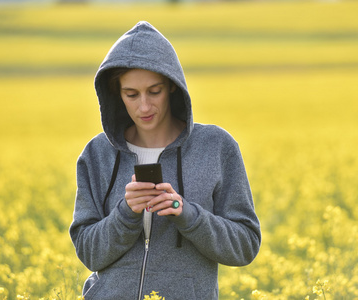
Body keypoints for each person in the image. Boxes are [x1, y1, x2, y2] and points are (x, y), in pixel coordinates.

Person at [69, 21, 261, 300]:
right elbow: (88, 253)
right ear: (116, 93)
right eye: (131, 94)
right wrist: (125, 213)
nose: (144, 106)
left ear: (173, 86)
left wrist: (186, 213)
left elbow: (245, 245)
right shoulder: (97, 154)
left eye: (154, 91)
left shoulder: (216, 147)